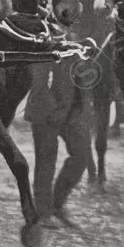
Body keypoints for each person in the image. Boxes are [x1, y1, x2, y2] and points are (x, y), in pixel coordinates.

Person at [25, 54, 95, 228]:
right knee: (46, 161)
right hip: (44, 109)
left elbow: (81, 72)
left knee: (82, 155)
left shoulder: (73, 37)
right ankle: (43, 212)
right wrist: (53, 110)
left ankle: (58, 203)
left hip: (72, 110)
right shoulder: (44, 40)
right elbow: (39, 81)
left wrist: (83, 107)